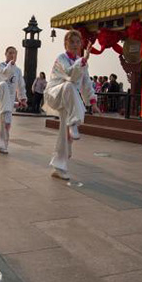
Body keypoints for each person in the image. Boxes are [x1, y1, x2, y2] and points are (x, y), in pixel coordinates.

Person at [44, 31, 95, 180]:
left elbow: (86, 83)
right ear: (66, 44)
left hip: (69, 99)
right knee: (69, 85)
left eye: (77, 42)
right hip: (56, 93)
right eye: (71, 42)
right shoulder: (62, 58)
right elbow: (69, 74)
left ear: (81, 45)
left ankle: (59, 166)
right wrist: (83, 61)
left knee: (64, 133)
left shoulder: (82, 61)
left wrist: (92, 100)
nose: (75, 45)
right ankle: (74, 122)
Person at [0, 46, 26, 154]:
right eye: (10, 53)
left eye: (14, 54)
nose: (12, 55)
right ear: (5, 54)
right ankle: (6, 109)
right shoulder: (0, 66)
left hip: (8, 100)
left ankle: (2, 145)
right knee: (4, 84)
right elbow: (5, 75)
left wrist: (22, 98)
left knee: (5, 121)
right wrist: (12, 64)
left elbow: (21, 85)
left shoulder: (18, 71)